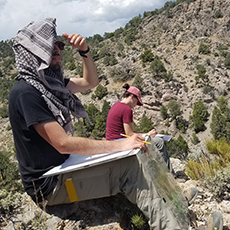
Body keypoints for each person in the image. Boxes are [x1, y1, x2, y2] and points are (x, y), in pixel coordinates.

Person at [8, 18, 223, 230]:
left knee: (139, 152)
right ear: (32, 52)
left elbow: (90, 82)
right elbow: (63, 143)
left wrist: (85, 52)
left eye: (58, 45)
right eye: (49, 45)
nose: (57, 49)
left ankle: (174, 201)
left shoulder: (49, 85)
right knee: (129, 166)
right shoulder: (27, 93)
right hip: (50, 186)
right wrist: (121, 145)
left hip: (63, 167)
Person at [106, 83, 174, 174]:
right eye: (136, 102)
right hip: (120, 141)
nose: (135, 105)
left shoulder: (116, 105)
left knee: (151, 141)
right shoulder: (126, 109)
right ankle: (169, 174)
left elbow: (128, 132)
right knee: (159, 142)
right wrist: (148, 135)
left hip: (113, 140)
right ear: (132, 97)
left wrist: (146, 134)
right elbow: (129, 134)